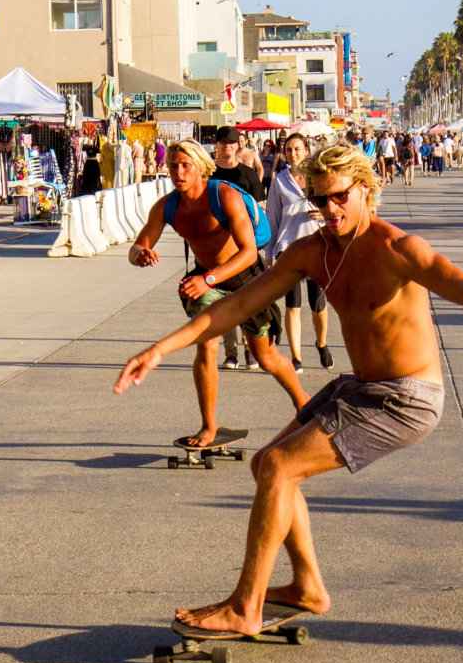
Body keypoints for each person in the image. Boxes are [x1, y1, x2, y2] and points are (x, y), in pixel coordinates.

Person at [114, 144, 463, 635]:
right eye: (318, 201)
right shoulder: (313, 252)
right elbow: (236, 306)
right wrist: (158, 350)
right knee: (267, 464)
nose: (329, 210)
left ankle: (246, 606)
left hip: (405, 398)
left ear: (366, 191)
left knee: (281, 468)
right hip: (361, 387)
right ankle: (307, 585)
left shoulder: (398, 249)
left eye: (339, 198)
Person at [128, 140, 308, 448]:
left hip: (246, 280)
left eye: (186, 166)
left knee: (265, 356)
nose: (178, 172)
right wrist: (140, 254)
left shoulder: (223, 196)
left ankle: (305, 407)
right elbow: (138, 246)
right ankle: (209, 426)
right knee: (207, 346)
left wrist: (208, 279)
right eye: (173, 166)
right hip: (207, 281)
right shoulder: (168, 206)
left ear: (201, 167)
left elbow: (249, 252)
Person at [266, 133, 334, 372]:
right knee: (292, 305)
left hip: (317, 246)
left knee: (318, 305)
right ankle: (296, 358)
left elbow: (335, 207)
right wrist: (269, 252)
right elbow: (272, 218)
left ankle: (322, 343)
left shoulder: (319, 177)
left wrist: (323, 215)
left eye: (297, 149)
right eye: (288, 150)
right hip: (289, 248)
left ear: (306, 150)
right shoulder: (279, 181)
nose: (292, 154)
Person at [212, 127, 269, 370]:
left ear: (238, 146)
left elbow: (260, 209)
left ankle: (251, 350)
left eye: (232, 143)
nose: (227, 147)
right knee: (223, 302)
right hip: (217, 246)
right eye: (223, 143)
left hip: (246, 246)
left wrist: (259, 244)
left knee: (247, 299)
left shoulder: (248, 174)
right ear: (217, 145)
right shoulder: (209, 175)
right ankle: (231, 353)